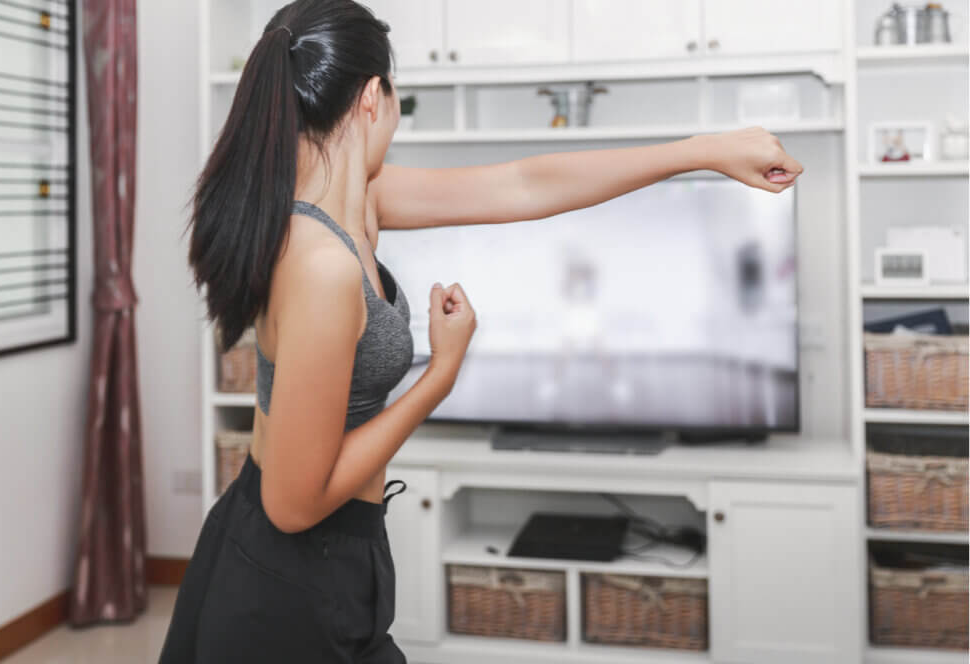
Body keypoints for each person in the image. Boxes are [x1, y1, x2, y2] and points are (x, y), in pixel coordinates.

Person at [157, 1, 803, 662]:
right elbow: (294, 504)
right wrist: (441, 374)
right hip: (287, 579)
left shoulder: (357, 205)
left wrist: (706, 151)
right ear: (374, 97)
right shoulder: (321, 263)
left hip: (333, 550)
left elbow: (524, 184)